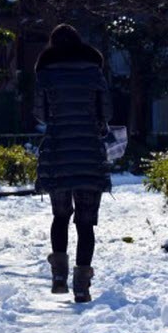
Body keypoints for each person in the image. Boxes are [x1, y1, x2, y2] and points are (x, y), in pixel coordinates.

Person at [33, 24, 112, 303]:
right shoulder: (94, 72)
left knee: (60, 216)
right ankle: (82, 286)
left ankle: (58, 277)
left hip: (58, 153)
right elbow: (108, 111)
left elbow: (40, 113)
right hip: (89, 153)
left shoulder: (45, 75)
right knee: (86, 223)